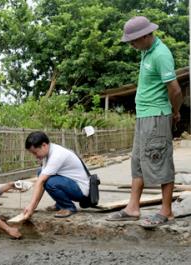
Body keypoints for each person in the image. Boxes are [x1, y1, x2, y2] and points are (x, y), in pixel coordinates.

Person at [106, 16, 182, 227]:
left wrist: (175, 112)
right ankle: (133, 207)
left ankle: (166, 211)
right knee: (138, 161)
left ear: (148, 35)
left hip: (156, 116)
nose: (131, 44)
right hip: (144, 116)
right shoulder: (146, 52)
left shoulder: (161, 54)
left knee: (160, 159)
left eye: (134, 40)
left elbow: (175, 89)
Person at [22, 131, 90, 219]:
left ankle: (68, 207)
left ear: (44, 145)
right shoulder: (48, 153)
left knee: (50, 182)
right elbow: (41, 183)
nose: (35, 156)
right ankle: (60, 204)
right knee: (41, 173)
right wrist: (33, 206)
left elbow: (41, 182)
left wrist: (31, 206)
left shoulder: (57, 154)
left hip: (81, 191)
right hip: (72, 185)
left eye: (35, 153)